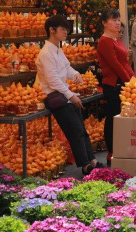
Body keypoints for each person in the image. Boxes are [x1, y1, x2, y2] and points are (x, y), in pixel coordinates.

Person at [37, 15, 103, 175]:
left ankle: (92, 161)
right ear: (52, 30)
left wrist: (76, 75)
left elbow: (66, 68)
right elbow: (52, 80)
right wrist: (70, 95)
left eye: (66, 29)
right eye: (62, 29)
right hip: (54, 97)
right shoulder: (46, 53)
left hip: (63, 95)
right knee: (75, 130)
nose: (66, 32)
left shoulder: (58, 51)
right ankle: (85, 165)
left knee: (81, 128)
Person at [97, 10, 135, 166]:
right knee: (113, 118)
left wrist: (133, 79)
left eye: (118, 20)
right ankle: (111, 153)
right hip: (113, 85)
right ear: (104, 23)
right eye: (113, 20)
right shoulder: (104, 41)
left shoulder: (115, 39)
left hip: (123, 83)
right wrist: (130, 81)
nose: (117, 23)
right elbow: (115, 66)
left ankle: (119, 150)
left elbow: (124, 63)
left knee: (120, 119)